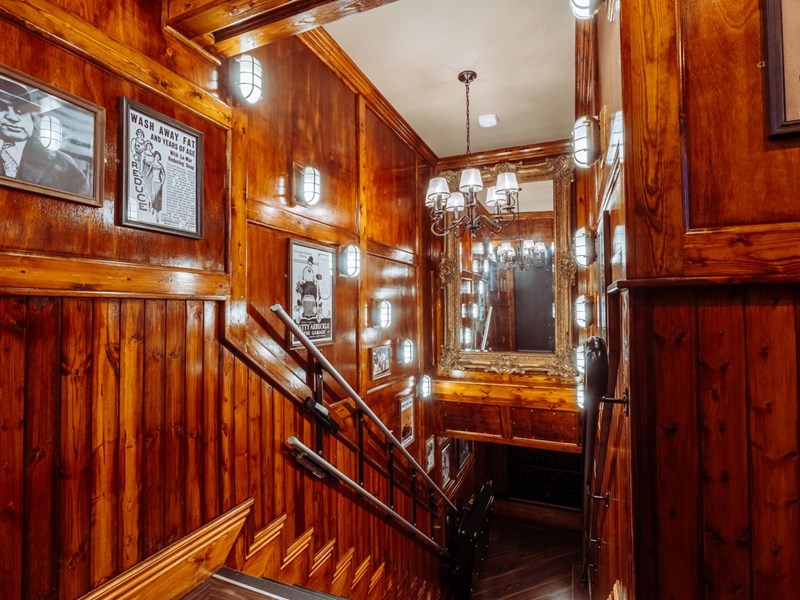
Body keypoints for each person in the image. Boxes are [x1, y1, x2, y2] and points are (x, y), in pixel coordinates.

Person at [0, 78, 90, 196]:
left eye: (20, 110)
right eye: (1, 107)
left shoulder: (65, 165)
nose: (12, 117)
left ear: (34, 117)